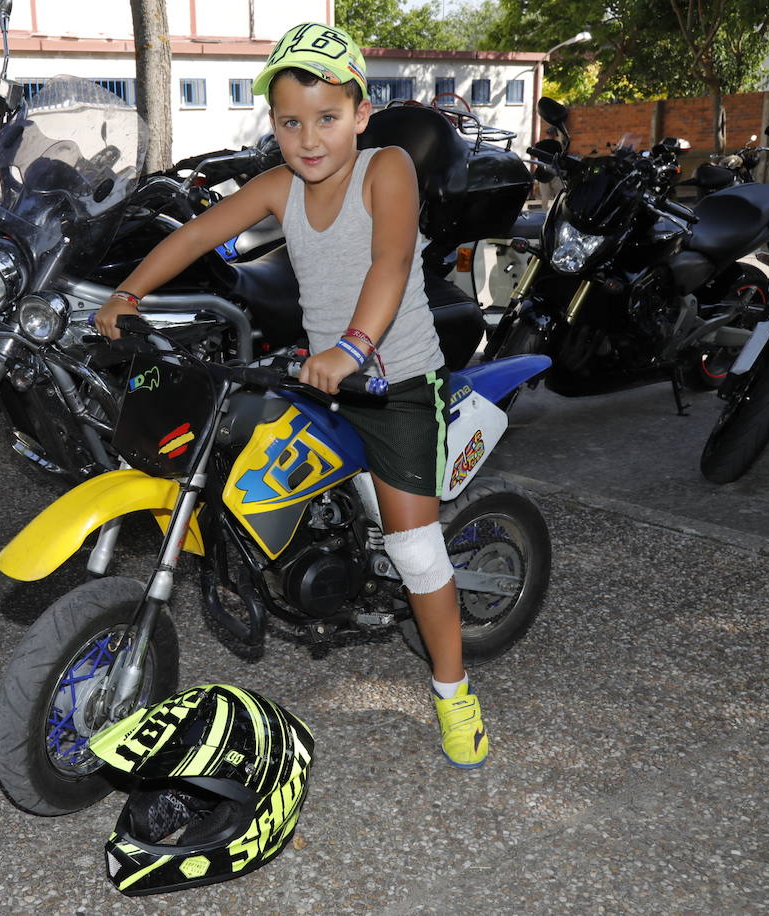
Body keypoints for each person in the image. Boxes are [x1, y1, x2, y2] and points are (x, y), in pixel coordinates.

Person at [95, 22, 490, 769]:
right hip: (321, 379)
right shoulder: (278, 185)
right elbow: (195, 234)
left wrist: (353, 347)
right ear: (274, 125)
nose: (309, 139)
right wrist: (128, 292)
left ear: (361, 115)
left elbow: (391, 261)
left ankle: (453, 691)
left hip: (395, 385)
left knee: (415, 551)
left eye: (327, 118)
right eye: (290, 122)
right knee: (246, 472)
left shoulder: (388, 169)